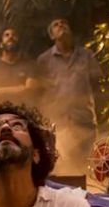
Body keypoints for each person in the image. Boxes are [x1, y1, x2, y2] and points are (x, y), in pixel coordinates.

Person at [35, 18, 102, 175]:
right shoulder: (44, 60)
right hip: (58, 122)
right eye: (56, 25)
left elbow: (98, 84)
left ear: (71, 31)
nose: (61, 25)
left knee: (86, 166)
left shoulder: (86, 55)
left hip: (84, 119)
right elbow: (38, 91)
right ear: (52, 36)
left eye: (64, 23)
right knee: (63, 168)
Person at [0, 27, 38, 105]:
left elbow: (30, 92)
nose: (10, 37)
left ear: (19, 43)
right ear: (0, 44)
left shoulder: (30, 65)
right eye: (6, 35)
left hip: (24, 110)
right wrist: (20, 88)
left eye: (14, 35)